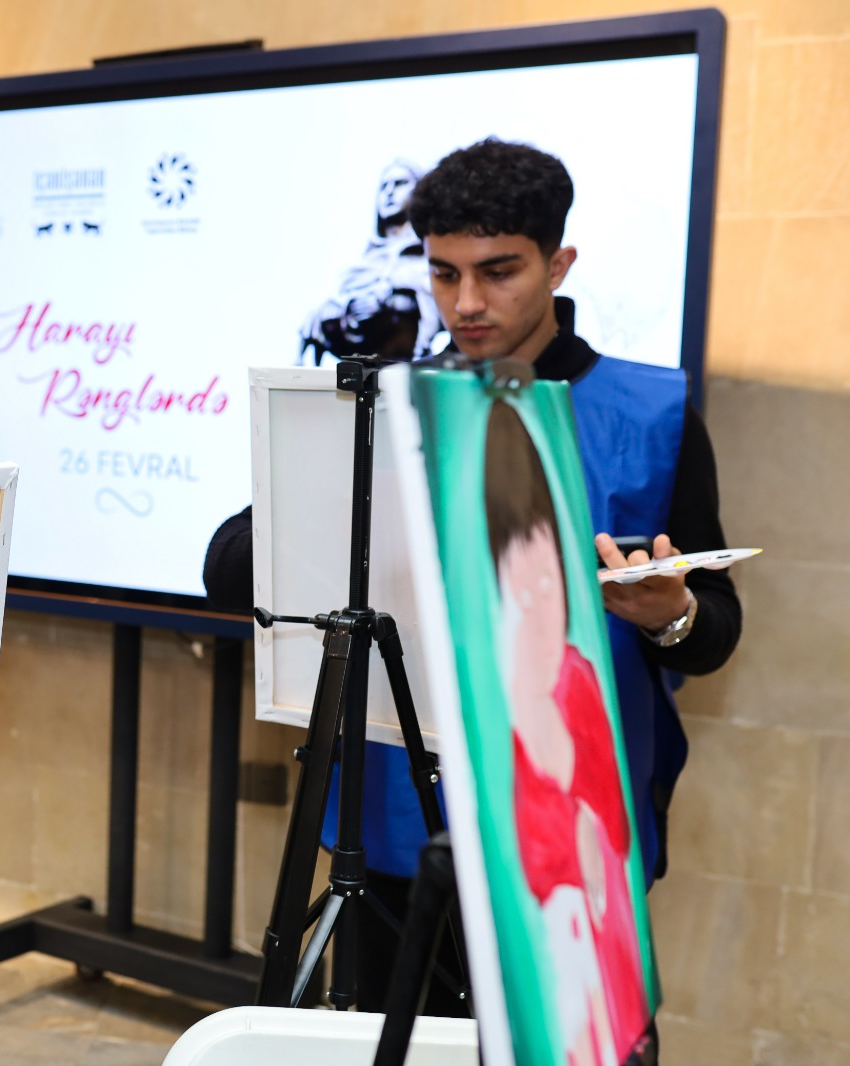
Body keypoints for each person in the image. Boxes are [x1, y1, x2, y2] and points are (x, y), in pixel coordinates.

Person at [204, 137, 741, 1012]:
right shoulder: (383, 403)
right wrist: (345, 493)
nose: (466, 303)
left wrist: (669, 615)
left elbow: (715, 628)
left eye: (498, 272)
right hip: (392, 833)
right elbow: (229, 570)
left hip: (575, 834)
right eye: (444, 273)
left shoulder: (653, 417)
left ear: (558, 263)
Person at [486, 400, 649, 1064]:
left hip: (597, 995)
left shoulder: (576, 678)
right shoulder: (487, 704)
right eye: (519, 582)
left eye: (550, 576)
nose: (541, 601)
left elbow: (613, 838)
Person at [298, 159, 442, 365]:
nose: (389, 192)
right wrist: (349, 307)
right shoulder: (365, 262)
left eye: (399, 184)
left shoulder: (428, 255)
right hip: (362, 356)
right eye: (384, 187)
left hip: (408, 359)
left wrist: (387, 296)